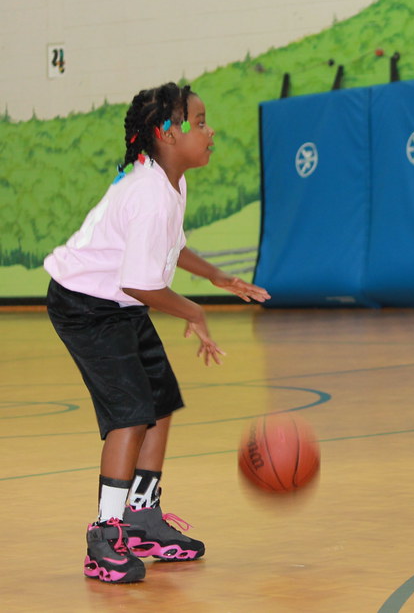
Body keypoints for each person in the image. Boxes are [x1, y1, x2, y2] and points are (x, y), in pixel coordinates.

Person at [44, 82, 271, 584]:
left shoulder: (169, 181)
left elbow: (171, 247)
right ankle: (104, 536)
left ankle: (142, 517)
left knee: (160, 401)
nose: (210, 132)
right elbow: (140, 282)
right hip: (85, 306)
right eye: (200, 122)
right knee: (130, 414)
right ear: (167, 134)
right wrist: (193, 311)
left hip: (119, 303)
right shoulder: (148, 192)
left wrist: (217, 277)